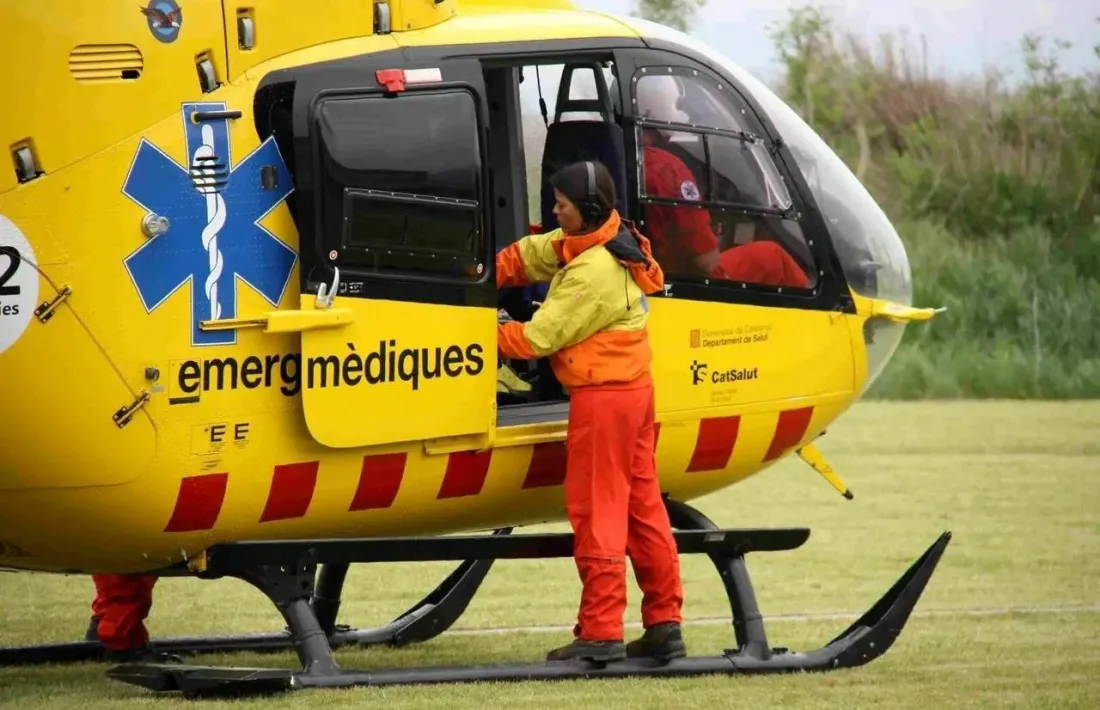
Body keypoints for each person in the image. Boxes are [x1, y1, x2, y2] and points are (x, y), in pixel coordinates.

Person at [495, 159, 686, 663]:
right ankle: (664, 624)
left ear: (587, 209)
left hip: (604, 400)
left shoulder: (594, 272)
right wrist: (482, 269)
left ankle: (601, 632)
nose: (555, 212)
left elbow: (536, 339)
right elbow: (539, 251)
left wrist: (479, 331)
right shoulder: (607, 236)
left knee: (597, 508)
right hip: (633, 393)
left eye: (562, 205)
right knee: (642, 508)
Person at [636, 75, 811, 289]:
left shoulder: (620, 156)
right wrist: (716, 240)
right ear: (658, 110)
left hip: (649, 270)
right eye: (675, 105)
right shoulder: (668, 169)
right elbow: (707, 261)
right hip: (684, 278)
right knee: (773, 256)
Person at [86, 573, 178, 662]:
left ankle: (121, 640)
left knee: (130, 584)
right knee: (125, 585)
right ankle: (115, 642)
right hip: (114, 633)